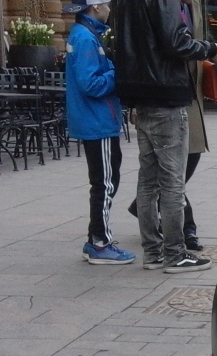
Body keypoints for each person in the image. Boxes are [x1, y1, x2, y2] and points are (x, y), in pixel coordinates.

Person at [115, 0, 217, 272]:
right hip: (166, 95)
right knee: (171, 183)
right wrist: (210, 48)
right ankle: (175, 253)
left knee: (147, 182)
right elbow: (176, 43)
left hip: (141, 96)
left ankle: (153, 253)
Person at [64, 0, 135, 265]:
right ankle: (100, 243)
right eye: (107, 4)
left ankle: (95, 238)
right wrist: (119, 73)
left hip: (96, 120)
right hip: (98, 121)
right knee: (105, 183)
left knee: (105, 180)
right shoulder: (85, 38)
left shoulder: (83, 34)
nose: (110, 9)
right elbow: (91, 84)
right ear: (96, 7)